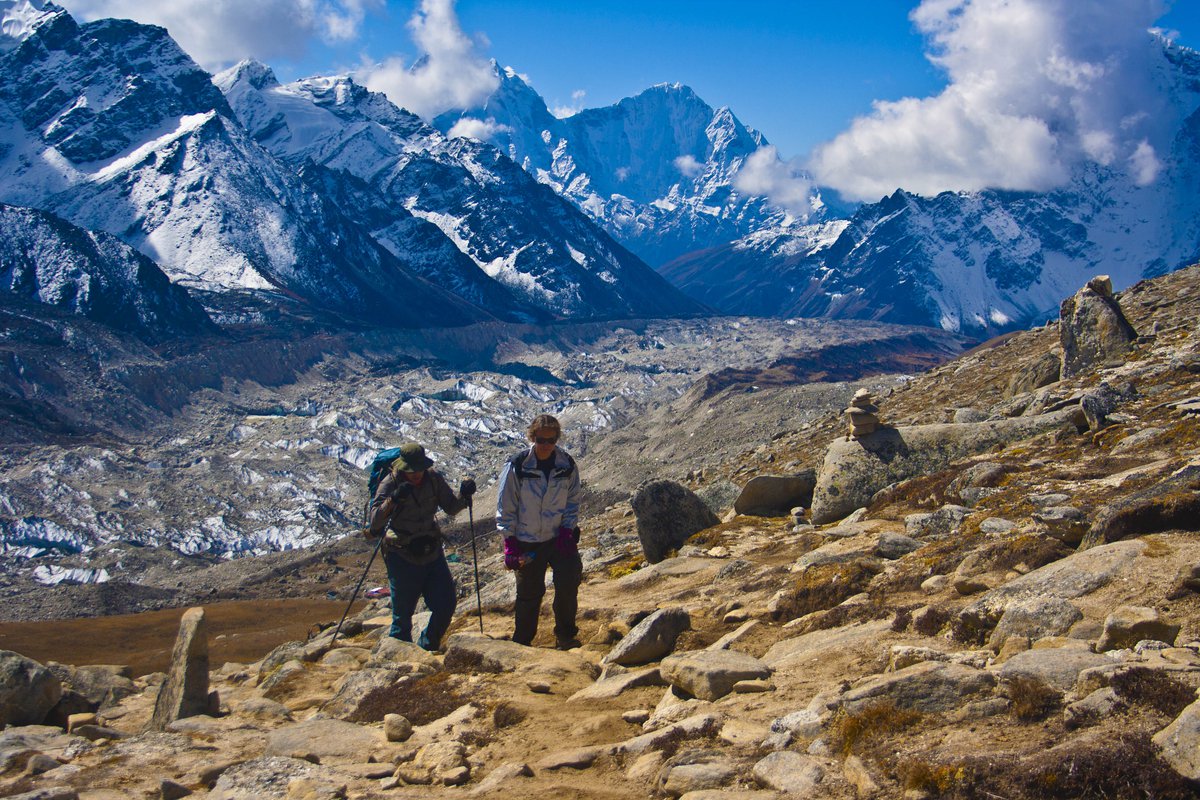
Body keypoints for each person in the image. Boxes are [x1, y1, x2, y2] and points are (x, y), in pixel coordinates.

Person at [365, 442, 475, 650]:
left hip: (431, 550)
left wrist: (465, 496)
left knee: (446, 604)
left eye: (419, 469)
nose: (416, 474)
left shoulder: (434, 479)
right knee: (402, 615)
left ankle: (428, 647)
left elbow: (451, 507)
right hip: (401, 554)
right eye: (411, 470)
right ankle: (398, 660)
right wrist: (393, 500)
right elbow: (375, 522)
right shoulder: (390, 483)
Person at [496, 414, 582, 649]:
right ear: (532, 438)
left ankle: (565, 635)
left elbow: (573, 499)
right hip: (527, 540)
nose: (545, 445)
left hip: (558, 538)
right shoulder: (518, 465)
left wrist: (567, 529)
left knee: (568, 585)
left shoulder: (566, 464)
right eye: (541, 440)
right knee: (529, 595)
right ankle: (523, 642)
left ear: (557, 439)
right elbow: (506, 504)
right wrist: (510, 543)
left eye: (551, 440)